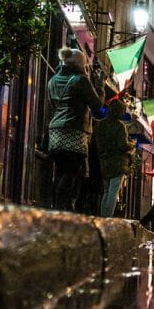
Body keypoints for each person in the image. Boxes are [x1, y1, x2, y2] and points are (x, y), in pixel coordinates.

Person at [47, 47, 103, 212]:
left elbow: (54, 105)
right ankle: (61, 208)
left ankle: (58, 206)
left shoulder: (53, 80)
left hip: (55, 131)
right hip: (74, 131)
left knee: (60, 170)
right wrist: (100, 87)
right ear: (81, 65)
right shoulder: (80, 80)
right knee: (72, 170)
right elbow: (97, 105)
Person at [94, 98, 134, 217]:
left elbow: (98, 143)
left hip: (104, 161)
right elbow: (122, 145)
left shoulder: (101, 124)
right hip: (118, 163)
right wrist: (131, 144)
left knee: (106, 191)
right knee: (113, 192)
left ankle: (103, 216)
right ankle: (107, 218)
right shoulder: (120, 126)